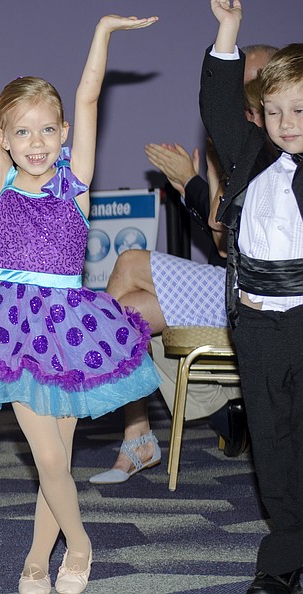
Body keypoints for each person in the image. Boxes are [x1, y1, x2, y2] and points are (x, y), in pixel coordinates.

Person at [0, 2, 160, 593]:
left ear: (62, 135)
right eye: (22, 131)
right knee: (49, 457)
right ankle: (80, 544)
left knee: (57, 451)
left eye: (48, 130)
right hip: (10, 327)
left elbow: (88, 96)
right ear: (3, 140)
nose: (36, 142)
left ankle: (39, 556)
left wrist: (102, 33)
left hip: (70, 328)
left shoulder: (74, 182)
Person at [89, 44, 276, 484]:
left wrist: (192, 185)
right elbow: (220, 235)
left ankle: (120, 415)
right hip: (228, 282)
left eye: (253, 81)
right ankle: (136, 434)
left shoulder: (282, 146)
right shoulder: (238, 141)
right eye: (240, 83)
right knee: (126, 313)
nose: (244, 92)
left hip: (255, 292)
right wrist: (203, 179)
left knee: (130, 263)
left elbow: (230, 244)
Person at [201, 1, 303, 592]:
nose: (287, 123)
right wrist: (228, 34)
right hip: (258, 326)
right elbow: (217, 103)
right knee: (270, 444)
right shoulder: (250, 155)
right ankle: (285, 554)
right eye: (273, 111)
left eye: (299, 109)